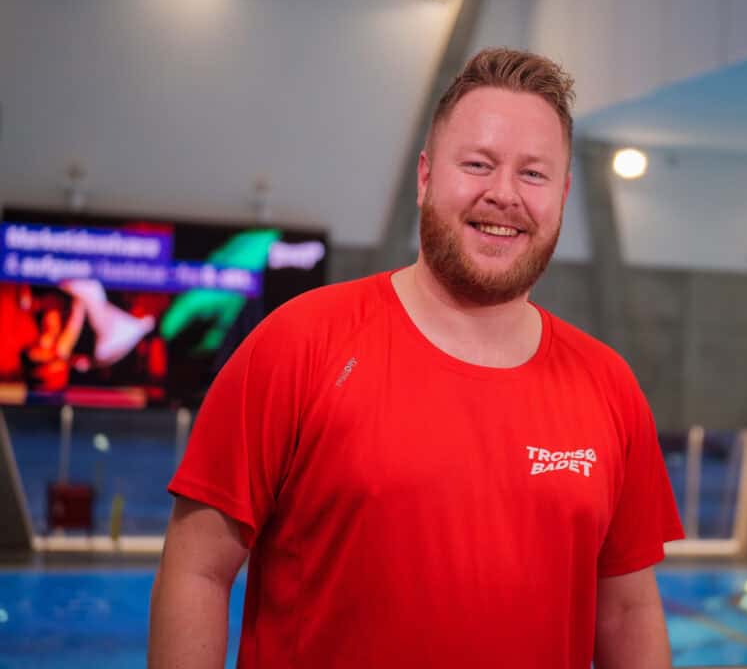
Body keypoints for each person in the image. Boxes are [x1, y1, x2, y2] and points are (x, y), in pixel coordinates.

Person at [149, 47, 684, 669]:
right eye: (478, 164)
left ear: (562, 194)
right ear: (426, 177)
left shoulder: (607, 385)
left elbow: (626, 610)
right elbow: (197, 574)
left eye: (533, 175)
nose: (503, 195)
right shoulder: (302, 343)